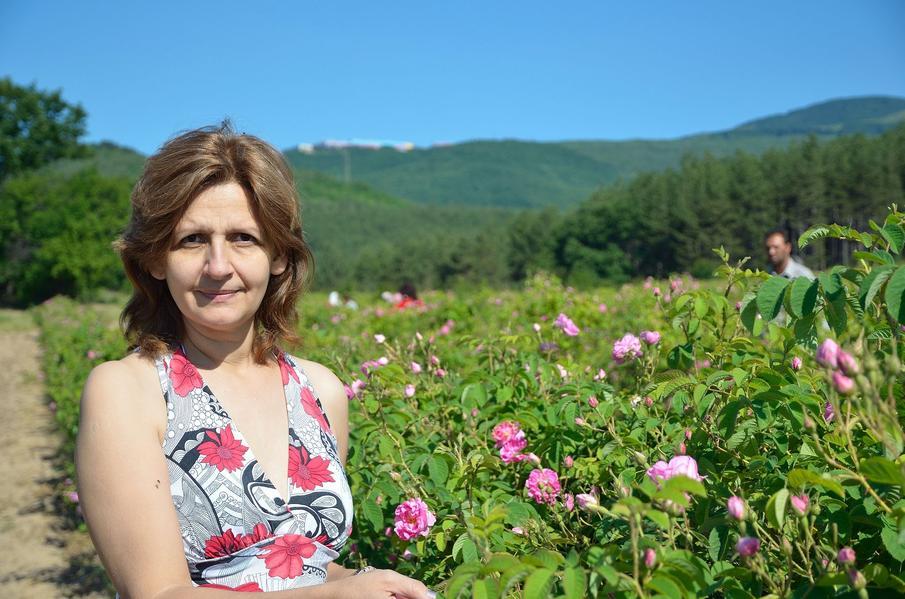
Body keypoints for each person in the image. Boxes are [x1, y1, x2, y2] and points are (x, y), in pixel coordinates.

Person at [75, 124, 433, 598]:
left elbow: (299, 566)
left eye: (244, 238)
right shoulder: (128, 391)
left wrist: (373, 585)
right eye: (192, 240)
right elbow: (158, 593)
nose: (218, 266)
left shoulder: (319, 390)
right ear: (156, 260)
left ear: (279, 255)